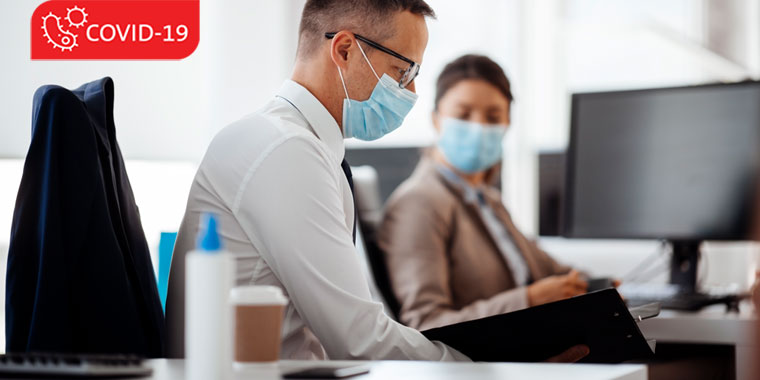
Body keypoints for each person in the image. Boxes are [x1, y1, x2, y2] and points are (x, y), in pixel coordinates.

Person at [165, 1, 588, 362]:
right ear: (345, 49)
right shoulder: (282, 149)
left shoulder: (304, 146)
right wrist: (490, 365)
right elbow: (359, 340)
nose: (413, 90)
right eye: (403, 72)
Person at [379, 55, 591, 331]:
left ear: (507, 124)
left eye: (492, 116)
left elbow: (554, 272)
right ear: (436, 120)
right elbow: (426, 323)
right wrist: (529, 299)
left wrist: (601, 288)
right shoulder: (418, 203)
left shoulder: (487, 200)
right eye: (463, 114)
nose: (478, 127)